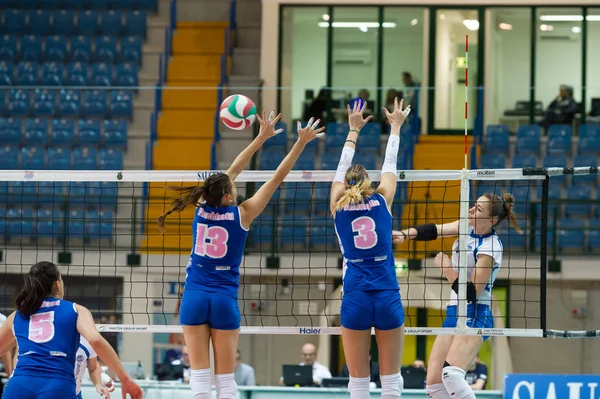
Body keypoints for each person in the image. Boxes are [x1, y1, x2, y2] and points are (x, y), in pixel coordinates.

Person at [156, 110, 324, 399]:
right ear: (229, 197)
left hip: (194, 297)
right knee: (224, 380)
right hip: (223, 299)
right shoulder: (243, 214)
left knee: (198, 375)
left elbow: (230, 171)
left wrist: (260, 137)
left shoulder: (200, 207)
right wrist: (299, 143)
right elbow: (277, 178)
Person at [392, 192, 521, 399]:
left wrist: (447, 268)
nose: (470, 210)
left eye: (478, 209)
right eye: (473, 205)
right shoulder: (466, 227)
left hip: (476, 313)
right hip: (454, 311)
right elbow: (434, 230)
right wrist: (405, 234)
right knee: (434, 385)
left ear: (491, 220)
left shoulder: (490, 248)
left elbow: (471, 293)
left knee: (451, 375)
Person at [329, 98, 410, 399]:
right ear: (369, 183)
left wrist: (353, 131)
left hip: (355, 297)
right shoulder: (382, 200)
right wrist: (396, 126)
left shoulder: (337, 204)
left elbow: (339, 170)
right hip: (387, 294)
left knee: (358, 383)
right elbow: (391, 164)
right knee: (392, 382)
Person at [0, 261, 142, 399]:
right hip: (57, 386)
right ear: (57, 283)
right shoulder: (76, 310)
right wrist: (125, 379)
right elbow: (95, 340)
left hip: (19, 386)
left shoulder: (18, 314)